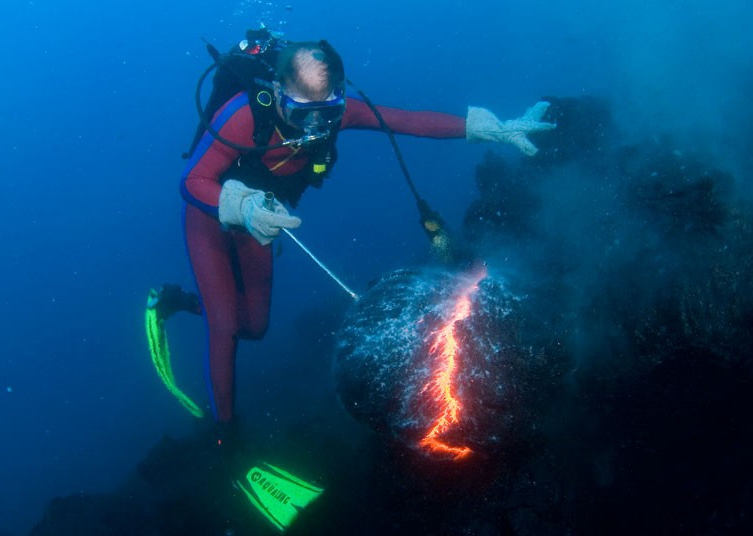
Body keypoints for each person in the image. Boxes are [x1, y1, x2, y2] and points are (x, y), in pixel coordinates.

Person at [164, 38, 554, 428]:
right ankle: (225, 434)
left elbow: (406, 120)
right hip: (211, 215)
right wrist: (240, 206)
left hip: (261, 221)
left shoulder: (340, 114)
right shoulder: (244, 116)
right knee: (226, 328)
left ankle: (181, 301)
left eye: (328, 113)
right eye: (303, 115)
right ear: (280, 93)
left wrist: (488, 128)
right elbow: (192, 181)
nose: (316, 128)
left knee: (255, 327)